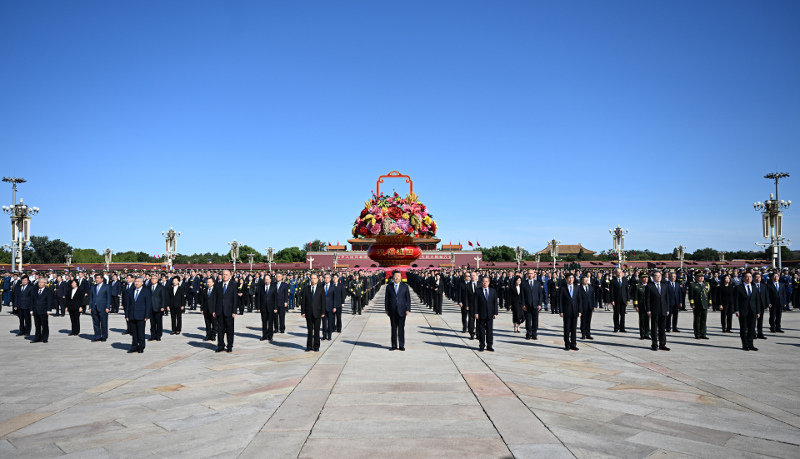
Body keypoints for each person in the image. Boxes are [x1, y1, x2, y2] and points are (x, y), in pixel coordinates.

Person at [734, 272, 762, 351]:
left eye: (750, 277)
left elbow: (757, 301)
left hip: (752, 311)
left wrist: (758, 311)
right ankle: (745, 345)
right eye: (746, 277)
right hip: (743, 311)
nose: (748, 278)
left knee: (752, 328)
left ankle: (751, 344)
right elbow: (736, 300)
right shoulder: (739, 288)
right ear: (743, 278)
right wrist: (737, 310)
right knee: (743, 328)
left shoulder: (754, 287)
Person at [385, 271, 411, 351]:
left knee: (401, 329)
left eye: (398, 276)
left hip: (402, 310)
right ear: (393, 277)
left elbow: (408, 299)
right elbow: (386, 299)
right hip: (392, 310)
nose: (397, 277)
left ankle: (401, 345)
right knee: (393, 329)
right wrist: (386, 309)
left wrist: (408, 309)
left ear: (401, 277)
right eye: (395, 276)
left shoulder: (405, 286)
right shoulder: (389, 287)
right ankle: (393, 345)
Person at [644, 271, 670, 351]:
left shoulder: (664, 286)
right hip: (654, 310)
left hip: (663, 310)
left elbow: (667, 299)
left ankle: (662, 344)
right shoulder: (649, 286)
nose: (659, 277)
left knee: (662, 328)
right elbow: (647, 299)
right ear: (653, 277)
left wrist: (667, 309)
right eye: (657, 276)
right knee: (654, 328)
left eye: (660, 276)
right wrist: (648, 310)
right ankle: (654, 344)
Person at [215, 270, 238, 353]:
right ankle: (220, 345)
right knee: (220, 329)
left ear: (230, 276)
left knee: (230, 329)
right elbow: (215, 298)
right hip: (219, 310)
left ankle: (229, 345)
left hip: (229, 310)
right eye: (223, 274)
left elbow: (235, 299)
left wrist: (234, 311)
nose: (224, 276)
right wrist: (214, 310)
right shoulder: (217, 285)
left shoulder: (233, 285)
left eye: (226, 275)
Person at [125, 277, 151, 353]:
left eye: (138, 282)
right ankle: (134, 346)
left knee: (140, 332)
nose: (137, 283)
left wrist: (147, 315)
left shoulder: (146, 291)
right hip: (132, 314)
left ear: (142, 282)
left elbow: (148, 304)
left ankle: (141, 347)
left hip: (141, 315)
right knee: (134, 333)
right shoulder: (131, 291)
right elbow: (128, 304)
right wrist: (127, 315)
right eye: (135, 282)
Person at [558, 273, 583, 350]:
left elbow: (580, 300)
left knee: (574, 328)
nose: (571, 279)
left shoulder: (577, 288)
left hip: (575, 310)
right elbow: (560, 301)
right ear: (566, 279)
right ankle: (567, 344)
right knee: (567, 328)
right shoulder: (562, 288)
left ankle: (573, 343)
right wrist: (561, 311)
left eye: (572, 278)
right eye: (569, 278)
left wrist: (580, 310)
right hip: (566, 310)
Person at [301, 273, 325, 352]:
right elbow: (303, 301)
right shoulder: (306, 289)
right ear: (310, 279)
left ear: (317, 279)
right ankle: (309, 346)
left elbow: (323, 301)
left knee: (317, 330)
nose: (313, 280)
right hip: (308, 312)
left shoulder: (320, 289)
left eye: (314, 278)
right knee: (310, 330)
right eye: (312, 278)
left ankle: (316, 346)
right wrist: (303, 311)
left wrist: (323, 312)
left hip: (317, 312)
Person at [473, 276, 497, 352]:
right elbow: (475, 303)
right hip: (481, 313)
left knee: (490, 330)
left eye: (486, 281)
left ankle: (489, 345)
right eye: (484, 281)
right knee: (481, 330)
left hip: (490, 314)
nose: (485, 283)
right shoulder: (478, 291)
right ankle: (482, 345)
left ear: (489, 282)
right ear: (481, 282)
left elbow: (495, 303)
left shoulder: (493, 291)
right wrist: (476, 312)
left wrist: (495, 313)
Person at [521, 269, 544, 340]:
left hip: (535, 304)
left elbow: (540, 295)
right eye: (529, 273)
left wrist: (540, 304)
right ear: (527, 275)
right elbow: (522, 295)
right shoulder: (523, 283)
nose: (530, 275)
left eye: (532, 273)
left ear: (534, 274)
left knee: (535, 320)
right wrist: (523, 304)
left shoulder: (537, 283)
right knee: (528, 320)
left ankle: (534, 333)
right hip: (527, 305)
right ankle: (528, 333)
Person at [688, 272, 712, 340]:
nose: (701, 277)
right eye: (700, 276)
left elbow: (709, 294)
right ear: (696, 277)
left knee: (703, 319)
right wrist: (692, 304)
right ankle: (697, 334)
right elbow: (691, 295)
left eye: (702, 276)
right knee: (697, 320)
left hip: (704, 304)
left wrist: (709, 303)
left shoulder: (706, 284)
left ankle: (703, 333)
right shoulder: (693, 285)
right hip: (697, 304)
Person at [88, 273, 111, 342]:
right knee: (96, 323)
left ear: (102, 279)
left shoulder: (107, 287)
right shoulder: (93, 287)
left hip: (103, 307)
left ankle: (104, 336)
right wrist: (90, 307)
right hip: (94, 307)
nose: (97, 279)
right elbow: (91, 298)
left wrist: (107, 307)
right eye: (96, 278)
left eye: (98, 278)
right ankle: (97, 336)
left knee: (103, 323)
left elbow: (108, 298)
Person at [30, 278, 55, 343]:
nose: (40, 283)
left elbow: (50, 301)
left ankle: (45, 338)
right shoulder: (35, 290)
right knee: (37, 325)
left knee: (44, 325)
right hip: (36, 310)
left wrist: (49, 310)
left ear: (45, 283)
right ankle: (37, 337)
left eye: (42, 282)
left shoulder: (48, 291)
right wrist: (31, 310)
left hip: (44, 310)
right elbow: (32, 301)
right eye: (39, 282)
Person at [257, 274, 276, 341]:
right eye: (265, 279)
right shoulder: (261, 288)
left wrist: (275, 308)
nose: (266, 281)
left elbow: (275, 298)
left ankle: (270, 336)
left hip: (271, 308)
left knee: (270, 323)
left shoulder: (273, 287)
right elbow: (258, 298)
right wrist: (258, 307)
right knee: (264, 322)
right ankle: (264, 335)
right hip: (263, 308)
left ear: (270, 280)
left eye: (268, 279)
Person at [633, 273, 651, 340]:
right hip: (641, 305)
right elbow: (635, 297)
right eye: (643, 277)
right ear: (640, 278)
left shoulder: (650, 286)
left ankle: (647, 334)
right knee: (642, 320)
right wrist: (636, 305)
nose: (645, 279)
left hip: (649, 306)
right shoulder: (638, 286)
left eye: (646, 277)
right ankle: (642, 334)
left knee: (648, 320)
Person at [610, 268, 629, 332]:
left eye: (620, 272)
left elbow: (627, 290)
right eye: (618, 272)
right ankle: (616, 327)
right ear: (615, 273)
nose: (619, 273)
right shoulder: (613, 281)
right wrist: (612, 300)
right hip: (616, 300)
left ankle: (622, 328)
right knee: (616, 314)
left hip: (623, 299)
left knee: (623, 314)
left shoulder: (624, 280)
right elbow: (611, 291)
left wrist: (628, 299)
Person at [148, 276, 166, 341]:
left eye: (154, 278)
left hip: (158, 307)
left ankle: (158, 336)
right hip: (150, 307)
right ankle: (153, 335)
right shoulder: (148, 287)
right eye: (152, 278)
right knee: (152, 323)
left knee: (159, 323)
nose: (153, 280)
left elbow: (163, 297)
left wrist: (163, 306)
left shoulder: (161, 287)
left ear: (157, 280)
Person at [579, 275, 596, 340]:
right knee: (583, 321)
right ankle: (583, 334)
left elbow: (593, 297)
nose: (587, 281)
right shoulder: (579, 289)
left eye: (587, 280)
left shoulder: (591, 288)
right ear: (582, 281)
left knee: (588, 321)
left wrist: (594, 305)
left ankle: (588, 334)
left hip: (590, 306)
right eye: (585, 280)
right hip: (583, 307)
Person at [322, 274, 336, 341]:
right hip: (323, 307)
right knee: (324, 322)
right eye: (325, 278)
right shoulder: (321, 286)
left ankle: (329, 335)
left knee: (330, 322)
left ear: (330, 279)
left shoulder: (333, 287)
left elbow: (335, 297)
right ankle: (324, 335)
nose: (326, 279)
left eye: (327, 278)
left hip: (330, 307)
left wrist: (334, 307)